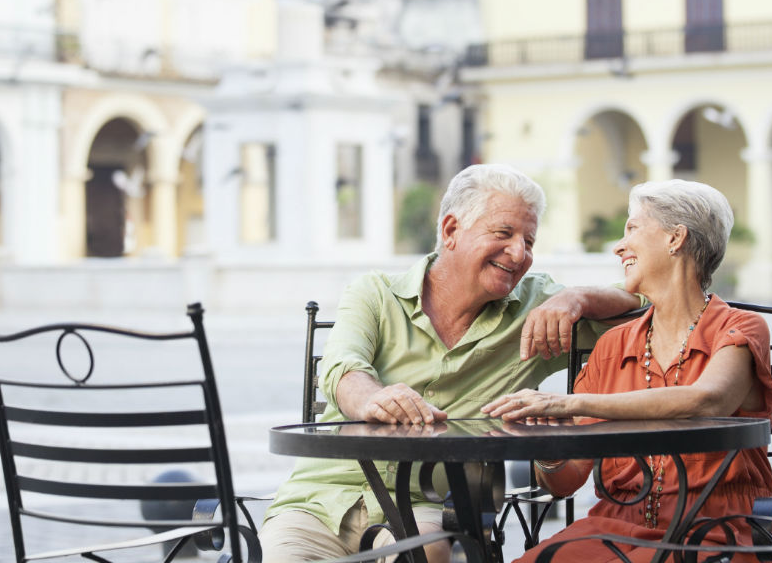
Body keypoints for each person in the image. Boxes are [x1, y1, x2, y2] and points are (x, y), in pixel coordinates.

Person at [260, 164, 644, 563]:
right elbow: (342, 367)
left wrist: (577, 298)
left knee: (423, 554)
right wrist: (373, 399)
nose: (519, 253)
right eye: (503, 233)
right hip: (316, 502)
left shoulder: (536, 309)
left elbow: (648, 305)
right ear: (450, 230)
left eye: (528, 241)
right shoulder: (374, 292)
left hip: (426, 505)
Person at [482, 179, 772, 563]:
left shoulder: (740, 328)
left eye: (632, 229)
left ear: (676, 238)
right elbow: (568, 481)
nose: (619, 246)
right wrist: (548, 446)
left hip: (715, 527)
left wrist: (566, 403)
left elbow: (708, 400)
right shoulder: (612, 347)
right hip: (615, 526)